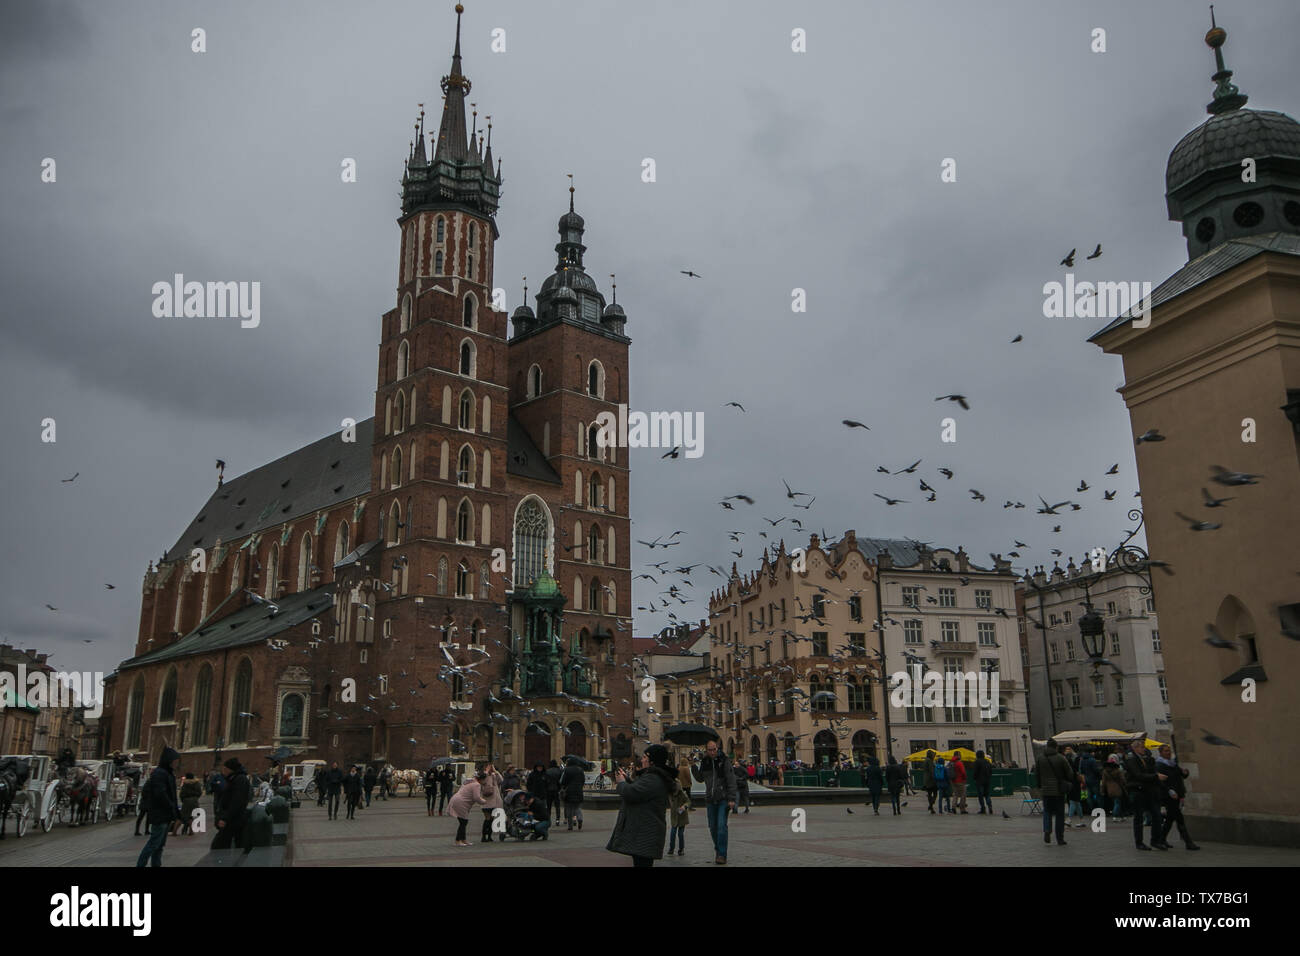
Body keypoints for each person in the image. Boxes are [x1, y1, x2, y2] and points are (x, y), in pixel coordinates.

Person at [606, 744, 678, 867]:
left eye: (645, 757)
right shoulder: (653, 777)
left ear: (652, 761)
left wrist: (622, 783)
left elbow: (631, 794)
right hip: (644, 832)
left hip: (645, 833)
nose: (642, 760)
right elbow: (640, 791)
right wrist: (627, 780)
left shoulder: (653, 778)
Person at [691, 739, 737, 864]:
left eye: (714, 749)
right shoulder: (705, 761)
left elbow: (731, 779)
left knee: (721, 826)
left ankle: (722, 854)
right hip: (710, 799)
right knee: (712, 827)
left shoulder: (724, 760)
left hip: (723, 798)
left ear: (717, 748)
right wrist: (693, 766)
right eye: (710, 750)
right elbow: (700, 778)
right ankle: (718, 850)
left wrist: (732, 798)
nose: (712, 752)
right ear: (706, 750)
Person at [136, 747, 181, 867]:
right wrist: (171, 807)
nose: (177, 763)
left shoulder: (167, 773)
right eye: (176, 761)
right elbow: (161, 794)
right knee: (153, 844)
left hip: (165, 815)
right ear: (169, 760)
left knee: (159, 845)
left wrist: (175, 812)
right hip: (160, 815)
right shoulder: (160, 773)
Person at [1123, 741, 1171, 851]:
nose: (1144, 749)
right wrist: (1156, 776)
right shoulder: (1131, 759)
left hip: (1148, 791)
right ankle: (1139, 842)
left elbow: (1149, 771)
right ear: (1135, 748)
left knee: (1156, 815)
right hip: (1137, 791)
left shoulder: (1144, 758)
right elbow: (1138, 775)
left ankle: (1155, 840)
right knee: (1139, 817)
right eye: (1142, 747)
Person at [1155, 744, 1199, 850]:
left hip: (1178, 793)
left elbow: (1181, 775)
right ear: (1161, 753)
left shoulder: (1173, 763)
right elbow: (1161, 782)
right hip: (1169, 796)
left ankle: (1161, 839)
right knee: (1179, 819)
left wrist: (1185, 772)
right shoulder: (1159, 765)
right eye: (1166, 751)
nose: (1168, 753)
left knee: (1170, 819)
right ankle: (1188, 843)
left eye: (1169, 751)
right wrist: (1169, 791)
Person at [1033, 740, 1073, 846]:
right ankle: (1060, 838)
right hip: (1058, 790)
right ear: (1056, 747)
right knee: (1060, 814)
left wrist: (1039, 786)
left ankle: (1047, 830)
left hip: (1046, 790)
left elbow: (1036, 774)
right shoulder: (1061, 758)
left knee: (1047, 812)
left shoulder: (1040, 758)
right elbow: (1069, 773)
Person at [211, 756, 251, 851]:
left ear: (230, 769)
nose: (223, 771)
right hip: (232, 819)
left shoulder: (239, 780)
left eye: (224, 769)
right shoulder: (234, 779)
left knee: (219, 845)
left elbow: (236, 801)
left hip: (233, 820)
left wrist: (225, 818)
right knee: (227, 845)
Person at [448, 770, 487, 846]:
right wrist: (484, 801)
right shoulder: (476, 785)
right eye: (484, 779)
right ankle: (458, 840)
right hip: (461, 802)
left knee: (463, 821)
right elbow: (476, 797)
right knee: (463, 822)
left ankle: (463, 839)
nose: (485, 781)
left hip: (457, 800)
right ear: (481, 779)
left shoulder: (470, 782)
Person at [668, 762, 692, 855]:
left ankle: (681, 849)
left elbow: (688, 801)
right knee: (673, 832)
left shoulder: (681, 793)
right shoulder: (670, 793)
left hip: (682, 815)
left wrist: (684, 806)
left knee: (680, 833)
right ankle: (671, 848)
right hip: (675, 814)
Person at [480, 764, 503, 843]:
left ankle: (489, 836)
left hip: (494, 802)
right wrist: (486, 771)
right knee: (487, 819)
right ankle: (483, 836)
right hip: (486, 801)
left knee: (492, 820)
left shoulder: (494, 776)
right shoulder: (483, 776)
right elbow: (481, 780)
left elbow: (501, 780)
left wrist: (495, 771)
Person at [560, 757, 585, 831]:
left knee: (569, 808)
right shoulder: (580, 770)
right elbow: (583, 780)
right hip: (578, 790)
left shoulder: (567, 770)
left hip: (569, 791)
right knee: (577, 807)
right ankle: (580, 819)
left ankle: (570, 826)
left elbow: (563, 781)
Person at [1102, 754, 1127, 822]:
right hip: (1118, 788)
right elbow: (1122, 779)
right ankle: (1115, 816)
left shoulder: (1105, 771)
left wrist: (1102, 790)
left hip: (1109, 789)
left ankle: (1122, 816)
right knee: (1118, 802)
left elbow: (1103, 782)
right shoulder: (1118, 770)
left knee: (1116, 802)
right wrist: (1125, 785)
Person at [1079, 748, 1102, 814]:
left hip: (1086, 779)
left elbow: (1081, 771)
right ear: (1091, 752)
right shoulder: (1092, 760)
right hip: (1094, 780)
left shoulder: (1082, 760)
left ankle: (1092, 809)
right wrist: (1099, 775)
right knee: (1098, 795)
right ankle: (1099, 810)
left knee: (1089, 796)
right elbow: (1096, 770)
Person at [972, 749, 993, 814]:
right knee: (987, 794)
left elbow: (975, 771)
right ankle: (990, 806)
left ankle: (983, 808)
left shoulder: (977, 762)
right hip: (987, 780)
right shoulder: (987, 761)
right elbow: (990, 771)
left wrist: (974, 778)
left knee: (980, 795)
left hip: (979, 780)